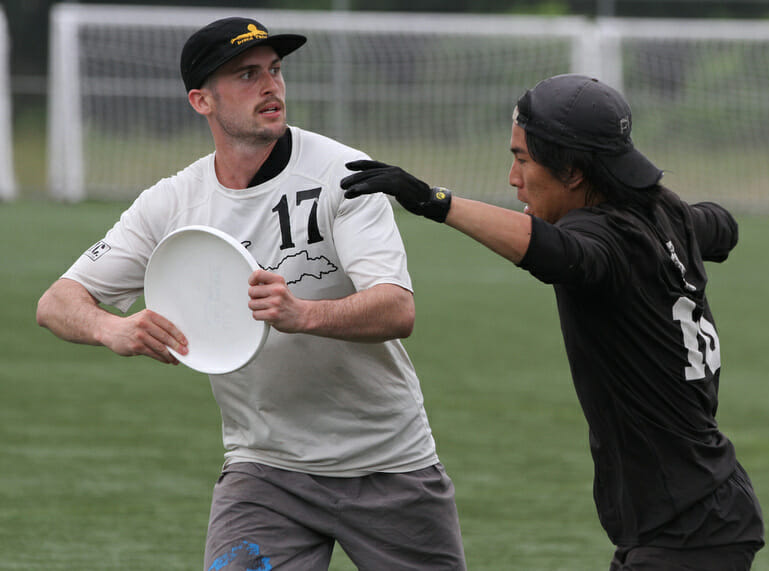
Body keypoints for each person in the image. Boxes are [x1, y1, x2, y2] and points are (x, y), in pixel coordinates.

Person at [36, 17, 466, 571]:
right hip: (263, 470)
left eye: (275, 70)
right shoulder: (171, 203)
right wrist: (112, 327)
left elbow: (396, 308)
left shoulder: (344, 173)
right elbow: (56, 302)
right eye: (246, 75)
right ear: (201, 100)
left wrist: (300, 313)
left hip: (389, 464)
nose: (271, 86)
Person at [342, 73, 765, 570]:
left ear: (572, 172)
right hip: (695, 513)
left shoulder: (605, 240)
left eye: (522, 159)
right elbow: (724, 227)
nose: (512, 177)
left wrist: (434, 201)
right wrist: (667, 213)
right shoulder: (664, 215)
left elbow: (560, 254)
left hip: (688, 528)